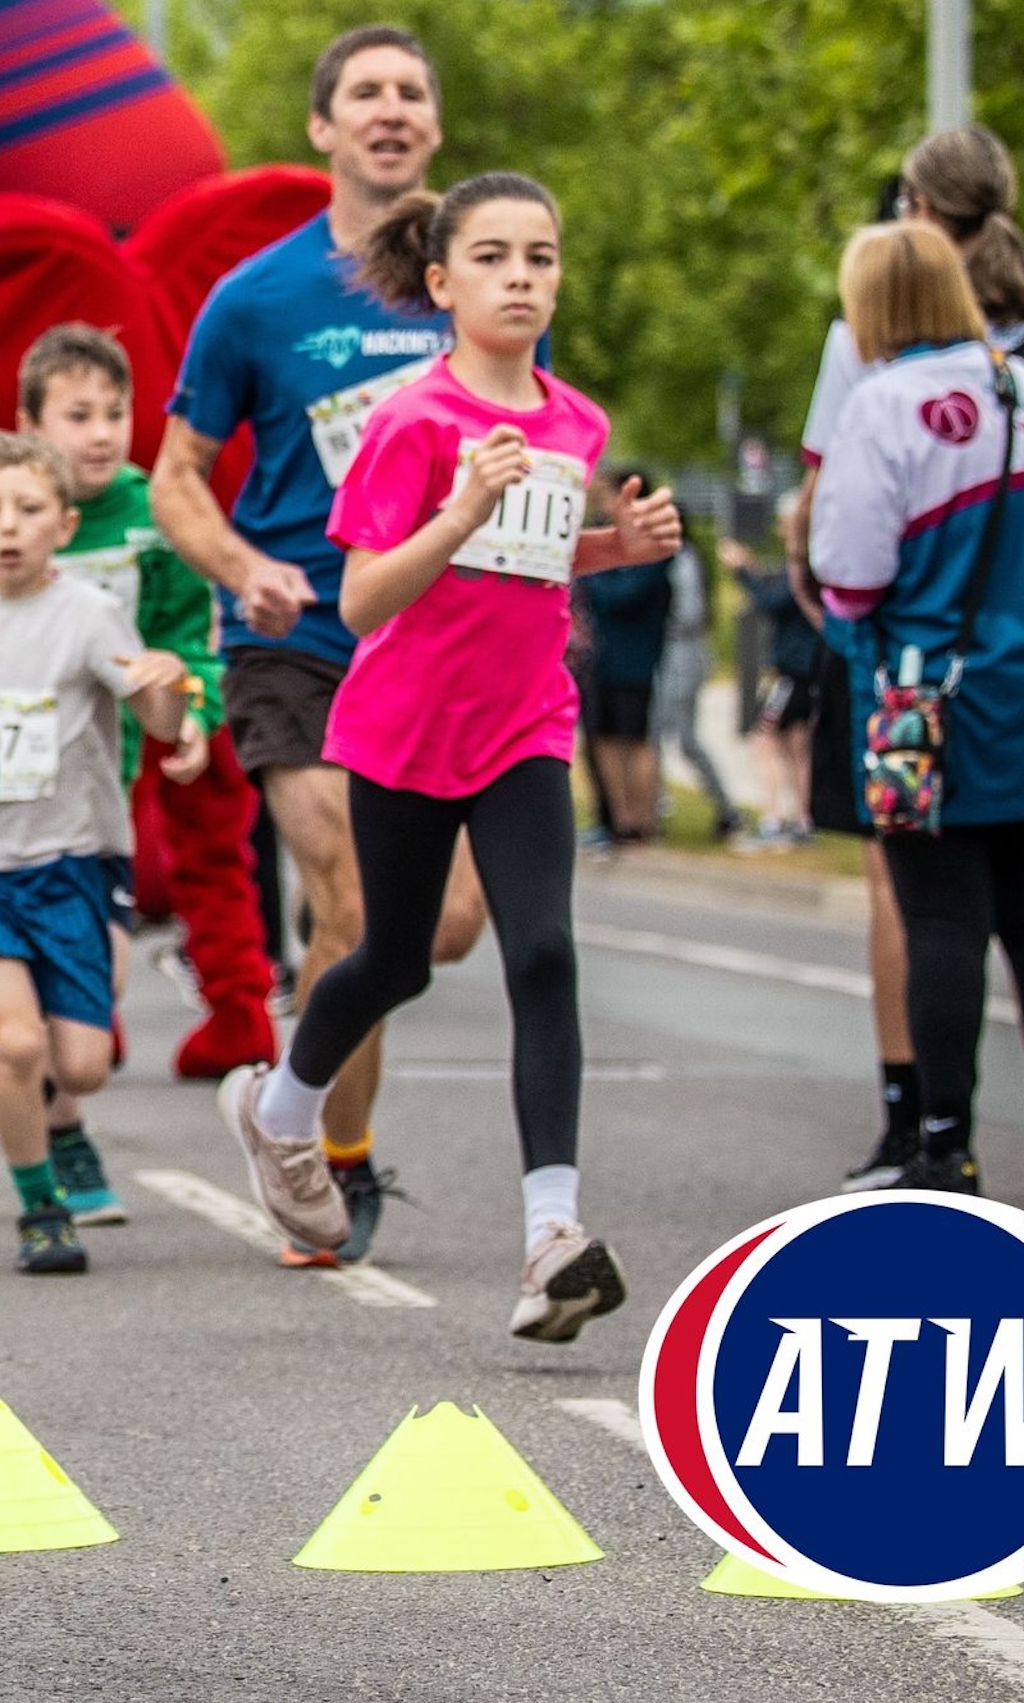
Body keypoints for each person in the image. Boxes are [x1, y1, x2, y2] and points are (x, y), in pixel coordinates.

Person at [221, 171, 681, 1336]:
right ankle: (282, 1111)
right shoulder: (414, 422)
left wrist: (613, 548)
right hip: (404, 727)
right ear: (441, 282)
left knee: (545, 953)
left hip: (526, 723)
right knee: (395, 960)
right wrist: (460, 510)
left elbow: (528, 566)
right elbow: (368, 598)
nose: (521, 277)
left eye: (541, 257)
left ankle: (549, 1239)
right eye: (492, 257)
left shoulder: (572, 421)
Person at [148, 25, 488, 1265]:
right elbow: (177, 475)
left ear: (434, 128)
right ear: (325, 130)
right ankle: (333, 1165)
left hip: (445, 639)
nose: (391, 110)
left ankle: (295, 1086)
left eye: (412, 90)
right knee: (349, 884)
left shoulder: (485, 281)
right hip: (297, 637)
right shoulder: (258, 298)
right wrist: (244, 568)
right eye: (366, 94)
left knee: (437, 927)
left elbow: (541, 446)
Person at [797, 125, 1024, 1190]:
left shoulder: (882, 405)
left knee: (942, 918)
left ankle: (946, 1141)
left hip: (927, 697)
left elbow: (850, 571)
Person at [0, 430, 207, 1276]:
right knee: (20, 1045)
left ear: (64, 522)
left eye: (27, 509)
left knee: (82, 1066)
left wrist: (174, 697)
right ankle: (40, 1206)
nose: (7, 527)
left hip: (76, 864)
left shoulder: (87, 611)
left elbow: (154, 716)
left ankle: (32, 1083)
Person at [28, 325, 272, 1102]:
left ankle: (239, 1013)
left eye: (115, 413)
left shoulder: (156, 509)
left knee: (215, 858)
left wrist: (194, 704)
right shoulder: (18, 511)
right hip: (69, 738)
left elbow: (193, 626)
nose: (101, 435)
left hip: (167, 715)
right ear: (32, 425)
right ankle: (88, 1014)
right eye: (78, 416)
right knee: (79, 877)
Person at [720, 536, 824, 848]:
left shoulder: (802, 572)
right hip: (806, 669)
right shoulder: (815, 570)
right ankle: (804, 817)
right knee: (797, 744)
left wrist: (741, 571)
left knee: (763, 739)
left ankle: (775, 818)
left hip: (792, 672)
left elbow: (769, 600)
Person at [574, 545, 672, 846]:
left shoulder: (652, 564)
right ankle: (620, 820)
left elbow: (620, 597)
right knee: (603, 739)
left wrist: (590, 575)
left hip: (635, 667)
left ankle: (642, 821)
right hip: (602, 665)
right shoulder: (617, 568)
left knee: (635, 741)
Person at [652, 526, 741, 843]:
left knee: (684, 739)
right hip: (674, 653)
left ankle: (726, 808)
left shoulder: (681, 558)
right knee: (657, 735)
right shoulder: (678, 557)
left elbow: (689, 614)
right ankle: (655, 806)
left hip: (683, 654)